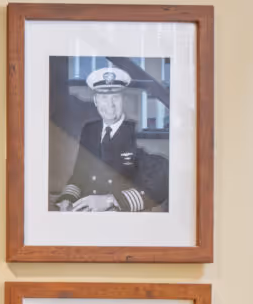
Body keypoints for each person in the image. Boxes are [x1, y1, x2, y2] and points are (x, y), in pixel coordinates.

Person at [52, 65, 167, 213]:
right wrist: (67, 198)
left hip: (120, 216)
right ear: (96, 100)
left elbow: (161, 182)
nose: (110, 105)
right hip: (87, 213)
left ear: (123, 99)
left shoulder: (137, 132)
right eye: (104, 97)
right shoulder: (90, 129)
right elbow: (78, 175)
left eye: (115, 97)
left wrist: (111, 200)